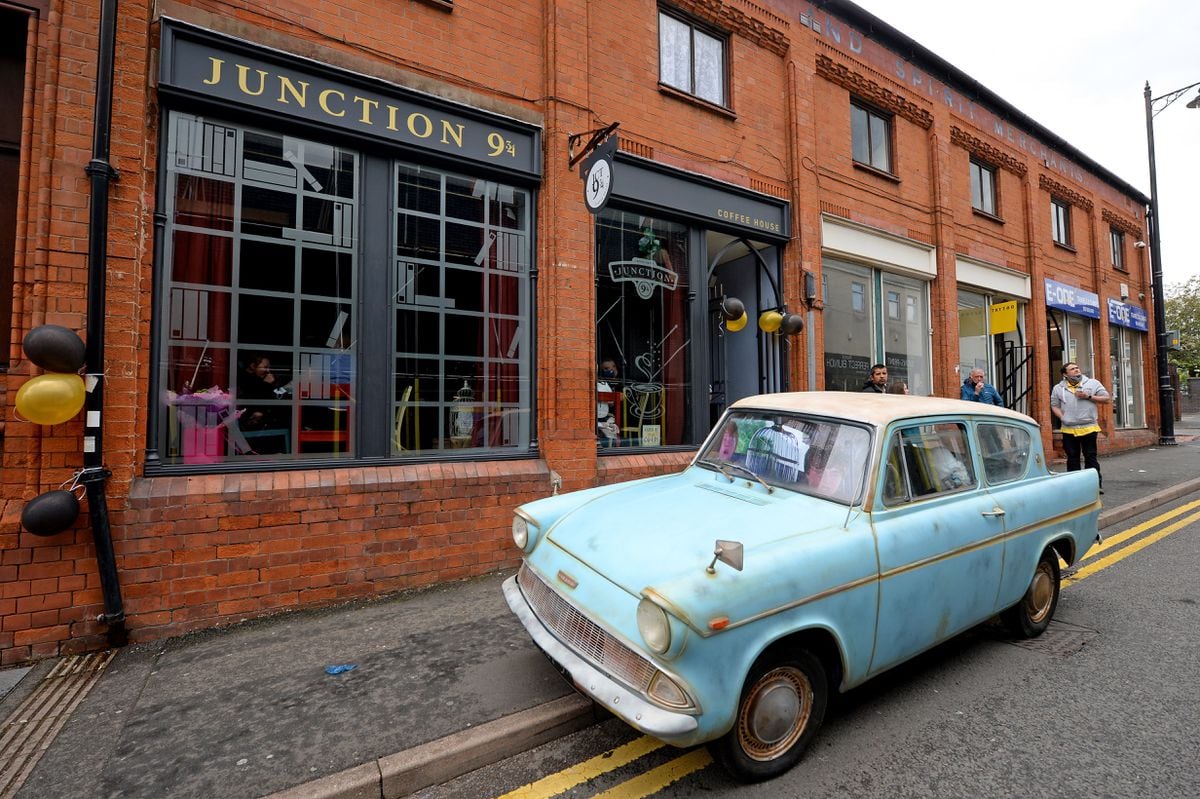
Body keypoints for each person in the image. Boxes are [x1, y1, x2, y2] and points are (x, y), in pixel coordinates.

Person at [1050, 362, 1110, 493]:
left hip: (1089, 427)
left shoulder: (1092, 383)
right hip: (1068, 429)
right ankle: (1074, 486)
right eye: (1072, 369)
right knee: (1072, 458)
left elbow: (1106, 398)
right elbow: (1054, 405)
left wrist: (1088, 396)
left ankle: (1094, 485)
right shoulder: (1058, 388)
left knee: (1090, 457)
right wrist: (1062, 418)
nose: (1077, 370)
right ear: (1065, 374)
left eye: (1077, 367)